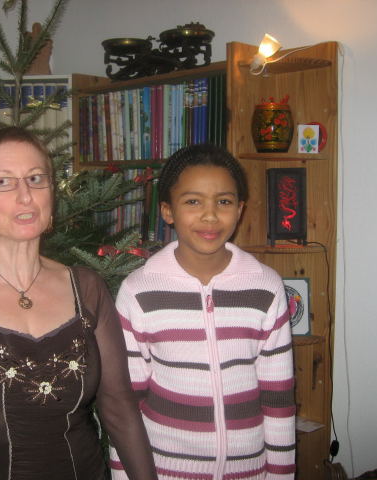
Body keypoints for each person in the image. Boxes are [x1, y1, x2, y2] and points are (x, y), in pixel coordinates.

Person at [0, 126, 158, 480]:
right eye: (3, 182)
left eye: (36, 178)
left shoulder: (88, 288)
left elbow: (119, 409)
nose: (25, 196)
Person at [109, 144, 296, 480]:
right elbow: (126, 404)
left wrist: (280, 475)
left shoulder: (265, 288)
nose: (210, 216)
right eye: (193, 202)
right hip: (162, 471)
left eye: (223, 202)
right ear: (168, 211)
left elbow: (278, 397)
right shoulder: (139, 291)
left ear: (239, 209)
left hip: (248, 471)